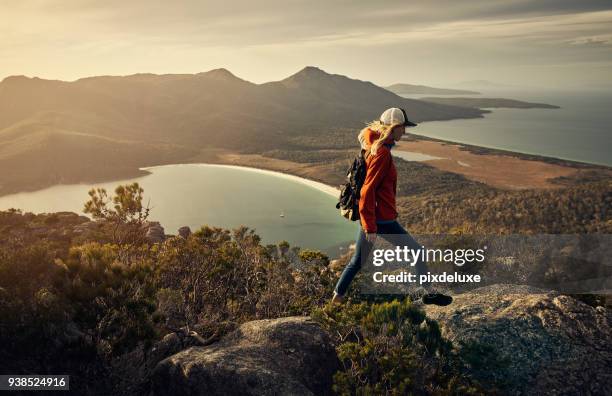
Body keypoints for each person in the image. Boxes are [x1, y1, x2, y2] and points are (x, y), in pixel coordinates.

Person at [331, 108, 452, 306]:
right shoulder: (382, 153)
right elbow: (367, 190)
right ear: (394, 127)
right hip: (380, 218)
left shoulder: (372, 145)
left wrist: (368, 222)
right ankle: (429, 294)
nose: (404, 132)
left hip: (373, 217)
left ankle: (335, 301)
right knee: (417, 251)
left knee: (357, 262)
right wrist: (370, 225)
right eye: (403, 127)